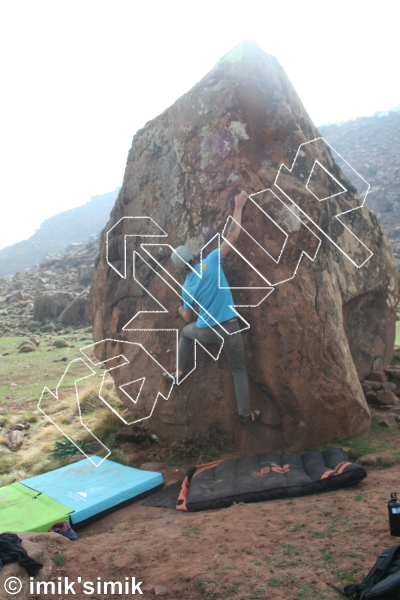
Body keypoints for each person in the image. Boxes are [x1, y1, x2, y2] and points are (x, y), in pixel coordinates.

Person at [163, 190, 262, 424]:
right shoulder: (211, 261)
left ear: (180, 268)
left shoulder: (186, 287)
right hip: (230, 328)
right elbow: (234, 235)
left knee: (185, 335)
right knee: (239, 371)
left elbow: (187, 319)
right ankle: (245, 415)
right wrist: (238, 206)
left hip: (206, 331)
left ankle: (178, 372)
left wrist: (181, 311)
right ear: (194, 255)